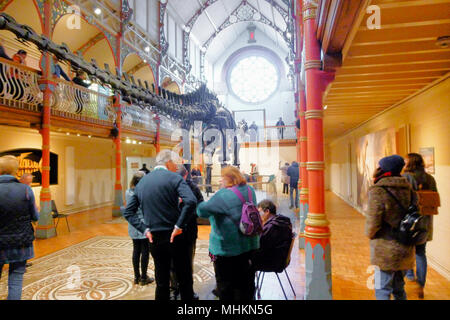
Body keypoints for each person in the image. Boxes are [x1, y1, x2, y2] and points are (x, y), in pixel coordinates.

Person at [123, 150, 197, 301]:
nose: (176, 167)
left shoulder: (143, 181)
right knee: (184, 280)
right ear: (168, 162)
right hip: (175, 237)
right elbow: (191, 201)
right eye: (175, 163)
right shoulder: (174, 178)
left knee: (161, 282)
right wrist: (178, 225)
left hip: (154, 239)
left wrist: (144, 229)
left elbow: (128, 211)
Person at [197, 166, 259, 301]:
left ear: (229, 179)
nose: (220, 180)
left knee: (226, 287)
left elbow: (202, 211)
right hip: (250, 245)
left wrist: (198, 200)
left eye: (222, 177)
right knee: (246, 285)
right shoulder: (250, 190)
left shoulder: (223, 195)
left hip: (228, 250)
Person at [365, 155, 416, 300]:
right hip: (405, 245)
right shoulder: (408, 188)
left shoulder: (378, 190)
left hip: (385, 247)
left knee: (382, 289)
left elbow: (373, 221)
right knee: (399, 289)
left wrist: (369, 233)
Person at [0, 155, 39, 300]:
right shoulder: (26, 190)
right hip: (21, 241)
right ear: (16, 170)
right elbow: (35, 216)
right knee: (16, 279)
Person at [403, 153, 438, 299]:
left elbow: (403, 200)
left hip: (410, 221)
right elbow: (434, 199)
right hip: (425, 221)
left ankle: (410, 277)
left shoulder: (406, 177)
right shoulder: (430, 178)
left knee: (406, 251)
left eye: (405, 161)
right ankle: (420, 285)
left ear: (410, 162)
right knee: (420, 253)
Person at [170, 165, 204, 300]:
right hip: (173, 230)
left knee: (187, 262)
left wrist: (187, 214)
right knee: (173, 262)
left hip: (188, 230)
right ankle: (174, 289)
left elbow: (200, 205)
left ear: (185, 176)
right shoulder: (170, 186)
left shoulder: (193, 188)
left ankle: (187, 290)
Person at [122, 171, 154, 286]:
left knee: (136, 250)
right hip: (143, 225)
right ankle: (144, 277)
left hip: (132, 224)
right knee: (145, 251)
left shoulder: (128, 192)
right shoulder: (144, 193)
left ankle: (136, 277)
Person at [252, 200, 293, 272]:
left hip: (272, 262)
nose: (258, 215)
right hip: (281, 260)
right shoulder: (283, 222)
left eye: (259, 212)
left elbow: (260, 246)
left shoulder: (271, 227)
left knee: (245, 260)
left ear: (267, 211)